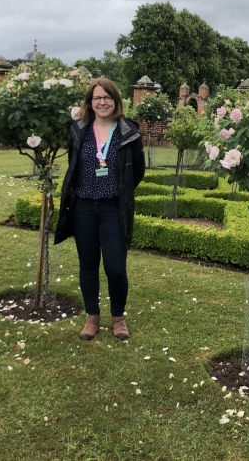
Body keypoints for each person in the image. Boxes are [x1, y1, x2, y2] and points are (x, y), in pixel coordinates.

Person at [54, 77, 145, 341]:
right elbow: (74, 165)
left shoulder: (128, 132)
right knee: (88, 264)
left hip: (113, 209)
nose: (102, 102)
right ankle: (92, 316)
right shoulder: (79, 129)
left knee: (116, 267)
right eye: (97, 98)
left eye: (107, 97)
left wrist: (120, 191)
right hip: (84, 207)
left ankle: (118, 318)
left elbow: (136, 171)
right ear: (90, 102)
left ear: (116, 101)